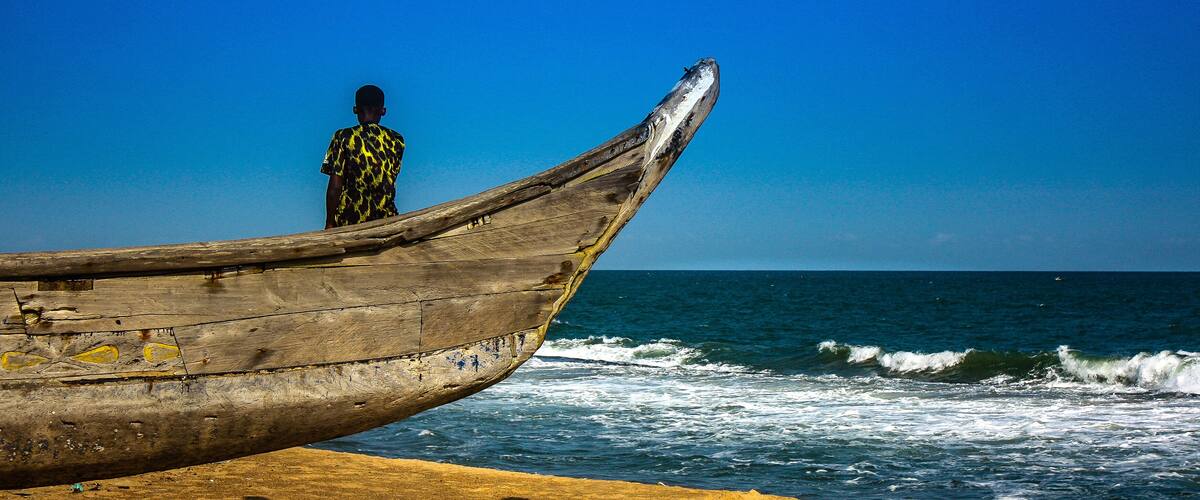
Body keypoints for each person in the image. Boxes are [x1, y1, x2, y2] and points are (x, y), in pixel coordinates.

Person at [321, 84, 406, 229]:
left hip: (350, 220)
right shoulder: (396, 140)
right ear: (383, 111)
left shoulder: (343, 137)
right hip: (387, 219)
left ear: (355, 109)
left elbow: (335, 186)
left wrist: (329, 222)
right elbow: (388, 179)